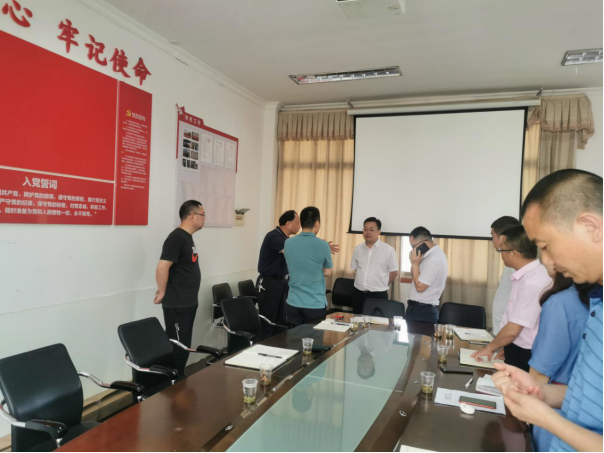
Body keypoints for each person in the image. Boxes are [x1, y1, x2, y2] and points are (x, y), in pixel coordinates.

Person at [492, 169, 603, 453]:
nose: (547, 262)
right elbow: (588, 397)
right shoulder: (596, 305)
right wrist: (540, 391)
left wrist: (545, 418)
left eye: (546, 246)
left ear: (591, 226)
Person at [472, 225, 551, 372]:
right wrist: (508, 346)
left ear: (514, 254)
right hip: (516, 347)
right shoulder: (526, 276)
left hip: (526, 354)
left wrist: (488, 348)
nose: (500, 254)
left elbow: (514, 328)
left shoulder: (532, 282)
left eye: (502, 250)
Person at [529, 269, 592, 453]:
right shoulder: (594, 300)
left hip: (556, 408)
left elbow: (541, 371)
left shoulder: (559, 303)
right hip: (590, 409)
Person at [154, 200, 206, 376]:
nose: (204, 219)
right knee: (177, 347)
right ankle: (172, 384)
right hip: (177, 304)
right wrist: (162, 291)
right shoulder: (176, 238)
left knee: (183, 347)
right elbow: (162, 268)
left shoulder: (186, 237)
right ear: (192, 216)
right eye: (202, 215)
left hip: (187, 302)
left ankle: (178, 381)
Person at [284, 207, 334, 327]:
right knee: (313, 338)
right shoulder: (323, 245)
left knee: (293, 337)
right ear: (317, 223)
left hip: (293, 302)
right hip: (314, 304)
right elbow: (328, 272)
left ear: (301, 223)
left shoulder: (288, 242)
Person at [256, 211, 300, 338]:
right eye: (297, 223)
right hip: (269, 283)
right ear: (288, 223)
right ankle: (263, 346)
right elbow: (292, 252)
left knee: (280, 321)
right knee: (268, 320)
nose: (299, 226)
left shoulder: (286, 239)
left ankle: (276, 346)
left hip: (281, 282)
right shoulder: (274, 237)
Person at [350, 217, 400, 315]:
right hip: (358, 294)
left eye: (372, 229)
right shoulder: (358, 249)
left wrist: (381, 283)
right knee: (357, 321)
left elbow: (394, 272)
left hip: (378, 295)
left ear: (379, 232)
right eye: (365, 229)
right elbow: (356, 269)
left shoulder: (388, 250)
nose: (368, 232)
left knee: (376, 323)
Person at [406, 227, 449, 324]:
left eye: (413, 246)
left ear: (423, 243)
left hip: (423, 311)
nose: (413, 249)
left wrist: (415, 264)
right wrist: (414, 263)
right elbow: (415, 277)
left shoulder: (434, 259)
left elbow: (420, 287)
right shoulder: (427, 255)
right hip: (416, 309)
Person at [491, 216, 522, 335]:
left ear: (502, 237)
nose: (492, 241)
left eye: (493, 236)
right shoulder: (510, 261)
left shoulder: (515, 261)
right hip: (502, 328)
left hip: (508, 331)